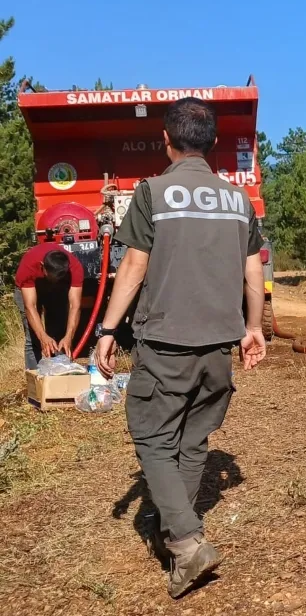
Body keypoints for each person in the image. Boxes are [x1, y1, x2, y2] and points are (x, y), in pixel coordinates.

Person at [95, 96, 267, 599]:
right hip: (219, 345)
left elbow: (133, 266)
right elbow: (252, 267)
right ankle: (178, 528)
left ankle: (187, 543)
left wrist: (107, 330)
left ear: (166, 141)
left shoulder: (153, 193)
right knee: (192, 441)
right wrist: (251, 327)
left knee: (150, 435)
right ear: (212, 144)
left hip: (167, 341)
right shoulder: (239, 201)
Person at [13, 243, 84, 369]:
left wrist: (69, 337)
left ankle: (58, 375)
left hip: (57, 290)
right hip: (28, 290)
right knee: (33, 338)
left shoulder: (75, 268)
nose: (54, 280)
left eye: (58, 277)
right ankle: (35, 379)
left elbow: (75, 305)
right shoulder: (28, 266)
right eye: (51, 277)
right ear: (42, 266)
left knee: (59, 334)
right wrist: (43, 336)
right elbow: (31, 306)